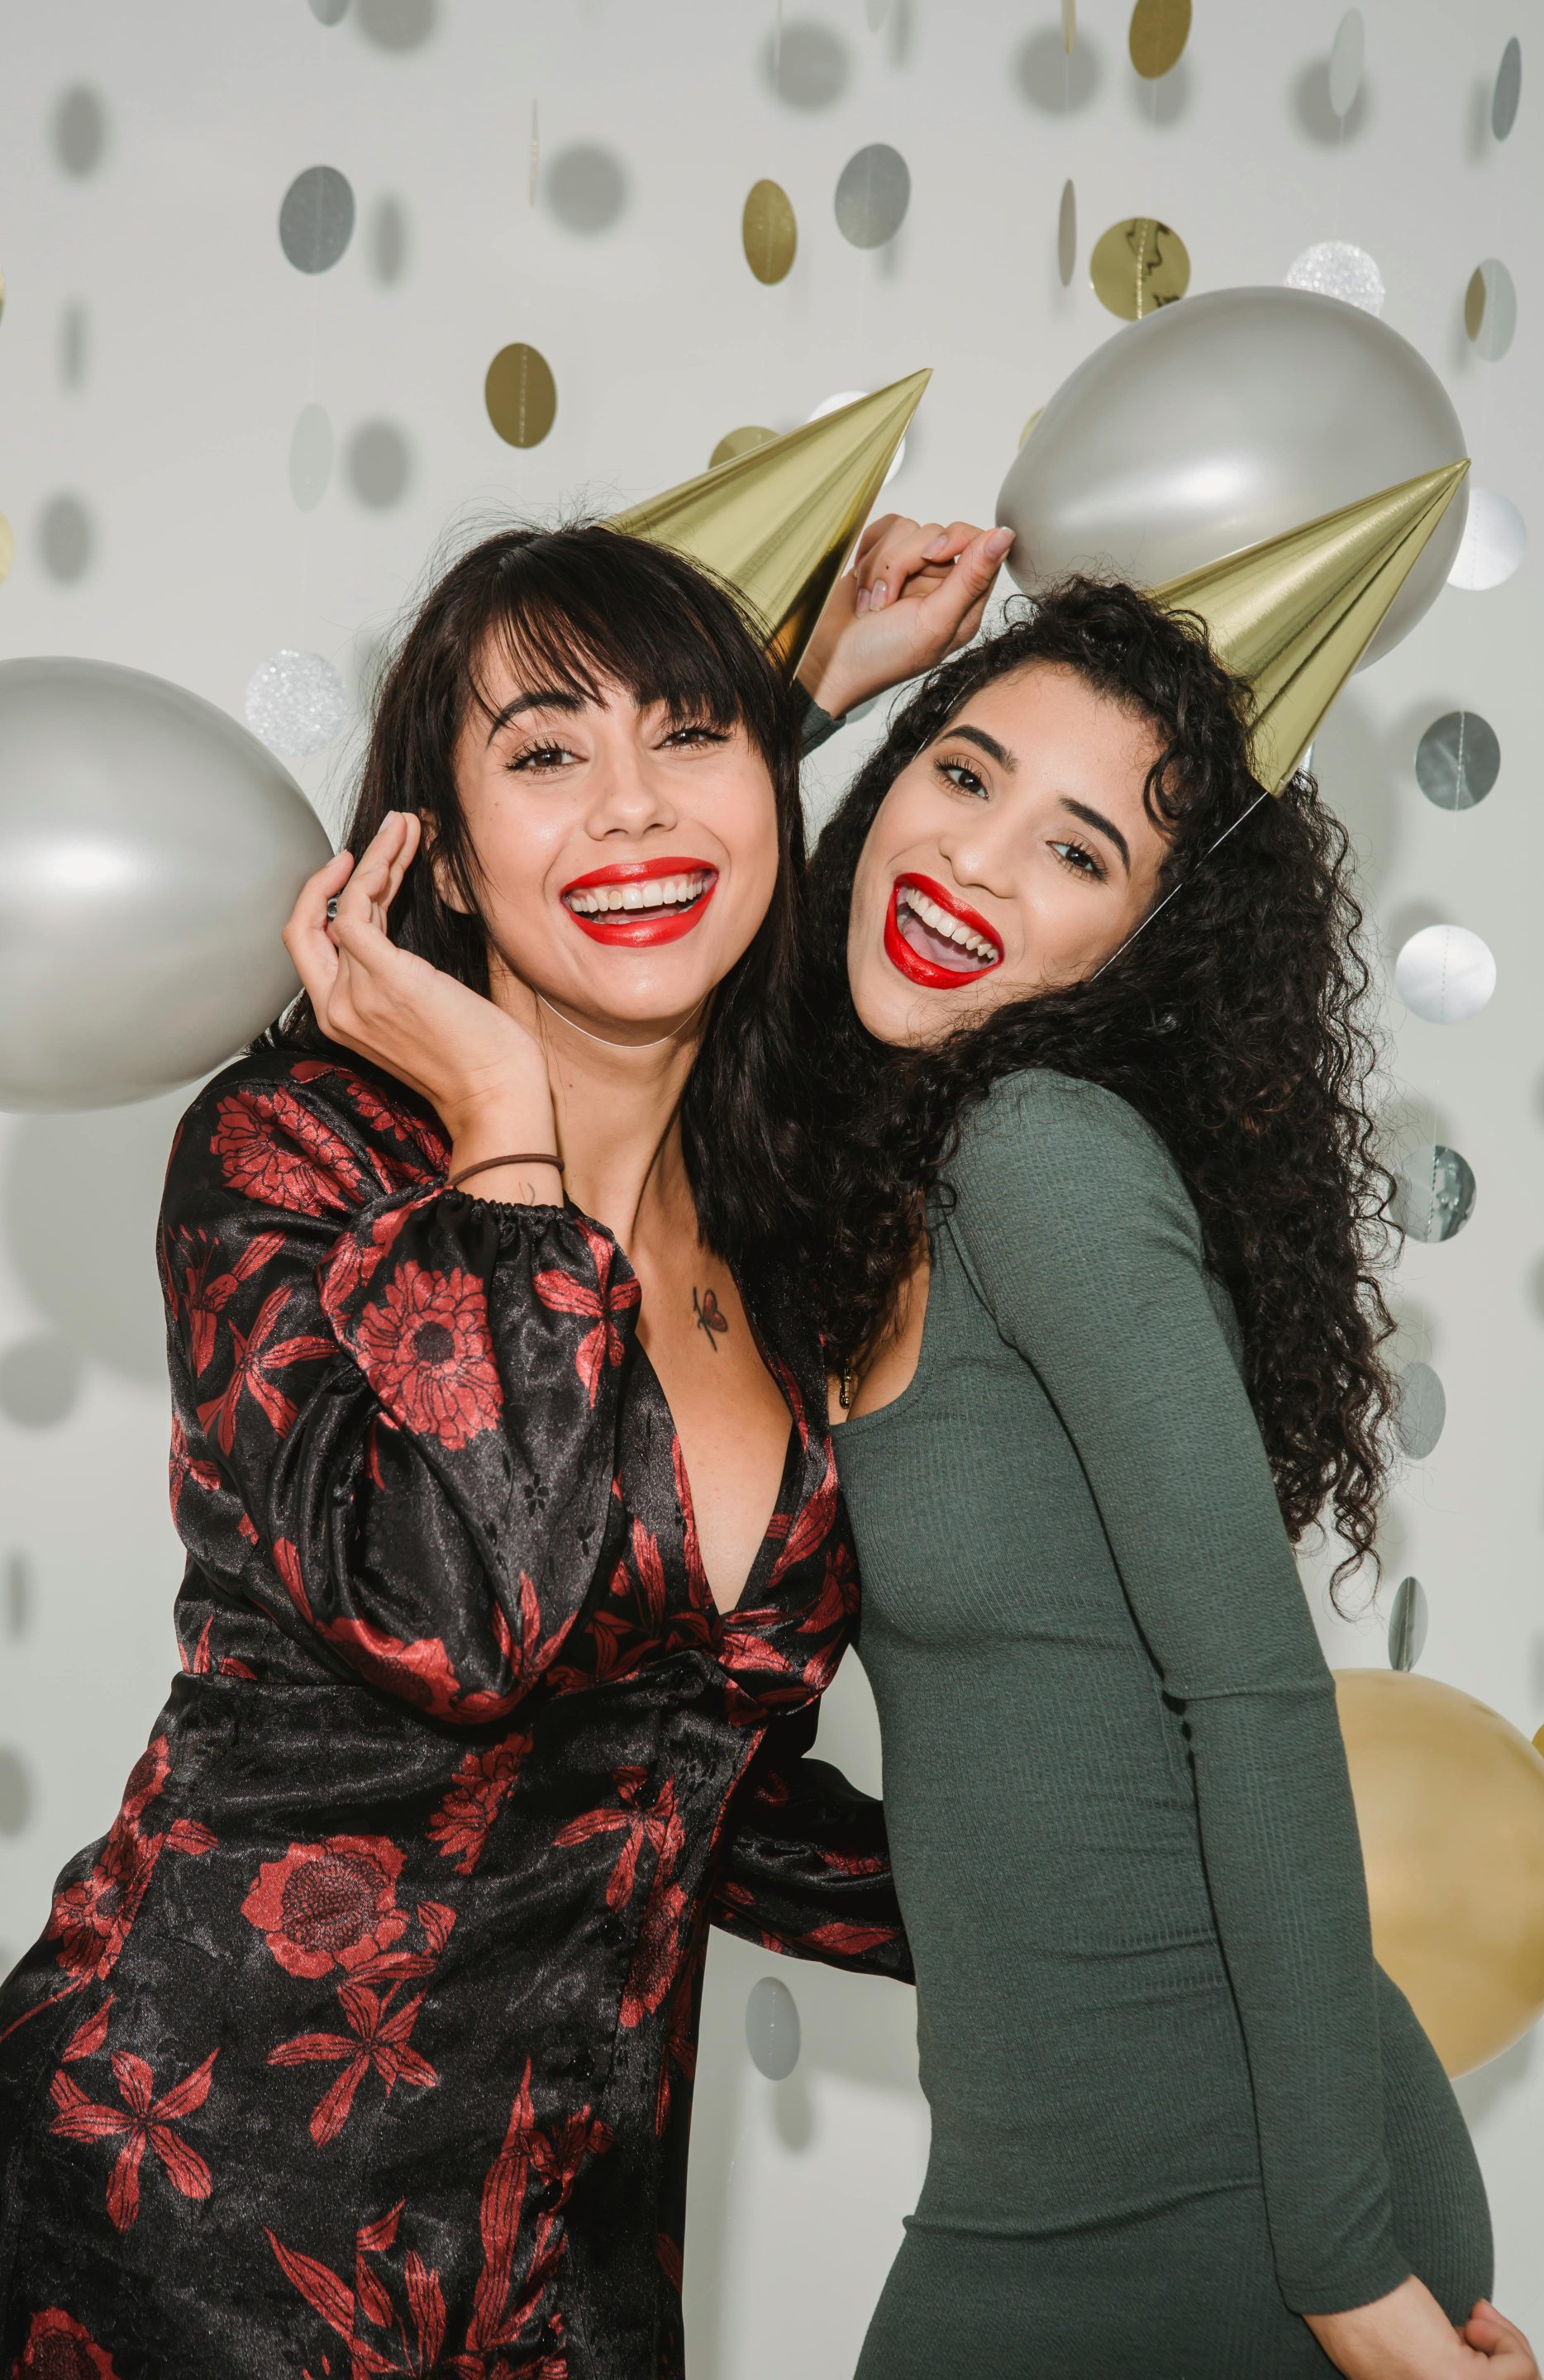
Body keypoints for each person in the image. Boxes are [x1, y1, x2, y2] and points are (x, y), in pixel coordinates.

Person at [0, 511, 1008, 2380]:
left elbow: (681, 1784)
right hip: (178, 2223)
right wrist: (505, 1127)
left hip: (566, 2262)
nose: (631, 809)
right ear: (440, 855)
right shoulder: (294, 1157)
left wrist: (1114, 1912)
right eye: (546, 758)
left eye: (693, 738)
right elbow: (476, 1624)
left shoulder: (794, 1243)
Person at [798, 570, 1542, 2380]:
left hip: (1245, 2203)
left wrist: (1351, 2277)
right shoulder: (838, 1174)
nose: (975, 865)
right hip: (1035, 2181)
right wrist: (799, 688)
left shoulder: (1038, 1154)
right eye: (961, 776)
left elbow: (1257, 1693)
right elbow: (588, 943)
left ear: (1141, 944)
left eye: (1077, 852)